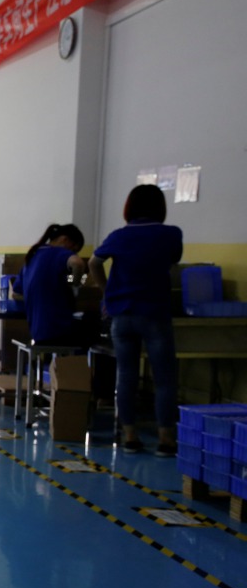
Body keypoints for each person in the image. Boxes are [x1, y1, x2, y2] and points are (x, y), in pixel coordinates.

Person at [88, 184, 183, 456]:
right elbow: (172, 262)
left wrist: (107, 293)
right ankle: (165, 439)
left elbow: (90, 264)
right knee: (164, 379)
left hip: (122, 315)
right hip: (154, 314)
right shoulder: (171, 234)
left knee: (126, 376)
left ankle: (130, 436)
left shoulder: (119, 236)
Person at [16, 223, 89, 345]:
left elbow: (16, 293)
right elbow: (78, 264)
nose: (73, 253)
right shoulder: (58, 252)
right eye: (74, 250)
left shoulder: (32, 257)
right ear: (64, 239)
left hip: (37, 332)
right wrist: (76, 283)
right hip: (59, 329)